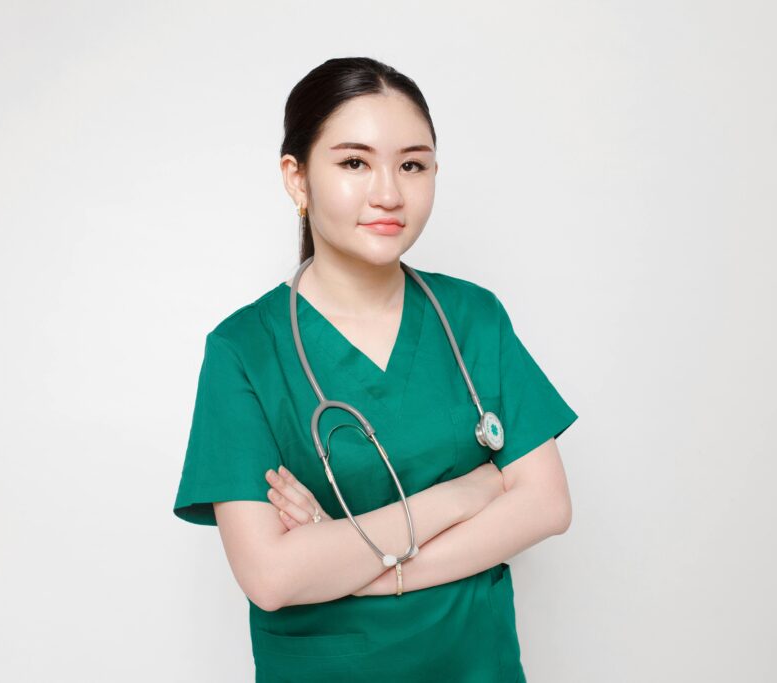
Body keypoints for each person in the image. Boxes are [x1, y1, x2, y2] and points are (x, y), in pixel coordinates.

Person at [172, 57, 579, 682]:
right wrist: (466, 493)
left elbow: (547, 505)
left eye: (412, 164)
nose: (389, 192)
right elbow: (272, 577)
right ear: (297, 177)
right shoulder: (244, 350)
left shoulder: (471, 317)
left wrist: (362, 563)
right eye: (354, 162)